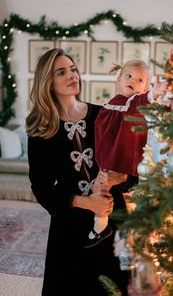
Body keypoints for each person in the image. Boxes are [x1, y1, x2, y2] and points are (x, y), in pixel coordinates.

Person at [25, 48, 133, 296]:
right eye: (61, 72)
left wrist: (120, 177)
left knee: (116, 285)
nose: (72, 75)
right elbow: (40, 188)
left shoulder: (103, 115)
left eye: (73, 69)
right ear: (47, 82)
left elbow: (128, 165)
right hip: (69, 224)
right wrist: (86, 202)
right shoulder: (40, 127)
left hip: (112, 214)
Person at [85, 60, 170, 248]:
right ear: (119, 78)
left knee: (103, 188)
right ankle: (104, 225)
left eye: (140, 80)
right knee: (100, 189)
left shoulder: (134, 102)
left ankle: (101, 227)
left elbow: (143, 100)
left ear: (144, 87)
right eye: (129, 75)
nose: (132, 80)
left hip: (120, 157)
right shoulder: (113, 102)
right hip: (108, 156)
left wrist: (153, 94)